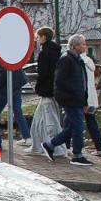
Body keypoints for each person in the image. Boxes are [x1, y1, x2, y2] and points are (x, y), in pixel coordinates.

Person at [42, 34, 93, 166]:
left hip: (77, 98)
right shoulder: (66, 60)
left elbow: (83, 81)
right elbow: (60, 80)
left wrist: (84, 98)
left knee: (72, 126)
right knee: (78, 126)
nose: (85, 46)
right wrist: (75, 93)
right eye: (82, 44)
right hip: (70, 99)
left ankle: (50, 145)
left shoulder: (78, 60)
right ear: (75, 46)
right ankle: (77, 155)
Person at [28, 27, 66, 157]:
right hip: (52, 89)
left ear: (44, 37)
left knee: (50, 120)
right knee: (38, 120)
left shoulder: (45, 53)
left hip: (47, 90)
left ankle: (57, 149)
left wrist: (39, 85)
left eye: (38, 37)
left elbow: (43, 73)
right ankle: (36, 146)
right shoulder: (56, 52)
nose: (38, 40)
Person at [0, 64, 31, 144]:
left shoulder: (0, 61)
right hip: (16, 85)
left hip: (6, 88)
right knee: (18, 112)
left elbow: (1, 76)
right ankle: (27, 137)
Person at [81, 50, 101, 157]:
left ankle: (67, 146)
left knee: (71, 121)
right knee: (91, 121)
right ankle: (100, 148)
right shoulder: (89, 62)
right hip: (91, 99)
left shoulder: (79, 62)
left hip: (83, 98)